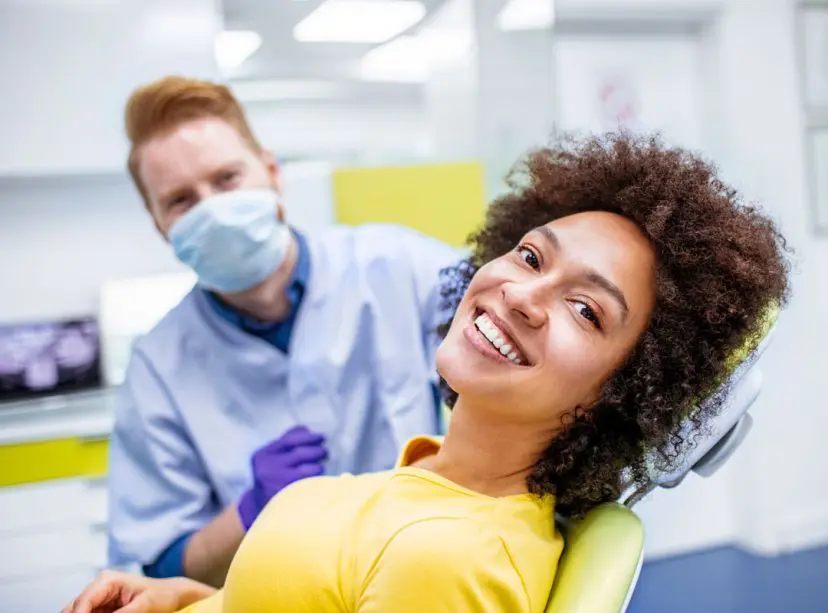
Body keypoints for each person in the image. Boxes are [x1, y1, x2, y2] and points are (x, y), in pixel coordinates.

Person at [67, 131, 791, 613]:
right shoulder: (424, 484)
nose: (521, 294)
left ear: (620, 394)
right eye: (532, 256)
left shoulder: (452, 558)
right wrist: (185, 599)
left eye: (585, 310)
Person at [106, 75, 463, 587]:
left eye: (226, 179)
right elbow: (161, 562)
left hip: (425, 574)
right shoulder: (158, 367)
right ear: (159, 223)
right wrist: (252, 509)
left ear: (271, 171)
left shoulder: (401, 266)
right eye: (182, 200)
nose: (213, 209)